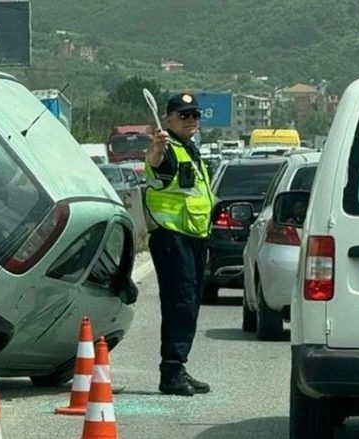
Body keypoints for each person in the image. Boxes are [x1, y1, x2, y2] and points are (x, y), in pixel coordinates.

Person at [144, 93, 214, 396]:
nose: (191, 121)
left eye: (195, 115)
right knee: (180, 304)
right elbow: (157, 167)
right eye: (184, 115)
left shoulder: (190, 150)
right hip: (173, 239)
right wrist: (155, 151)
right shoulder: (167, 149)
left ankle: (179, 366)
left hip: (194, 238)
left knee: (191, 305)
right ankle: (171, 372)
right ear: (169, 118)